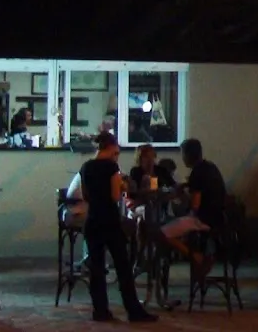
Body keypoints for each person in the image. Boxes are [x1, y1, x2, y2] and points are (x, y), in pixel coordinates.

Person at [80, 132, 156, 323]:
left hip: (93, 219)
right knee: (122, 266)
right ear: (112, 147)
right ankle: (133, 310)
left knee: (96, 268)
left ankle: (100, 310)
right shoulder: (111, 167)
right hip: (110, 220)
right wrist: (122, 186)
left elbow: (85, 195)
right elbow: (115, 196)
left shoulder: (86, 167)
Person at [160, 138, 227, 277]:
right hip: (219, 217)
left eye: (183, 154)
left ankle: (196, 256)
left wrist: (182, 197)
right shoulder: (210, 166)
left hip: (204, 218)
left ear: (188, 155)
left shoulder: (197, 172)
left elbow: (195, 205)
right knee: (180, 228)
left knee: (162, 233)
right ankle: (202, 257)